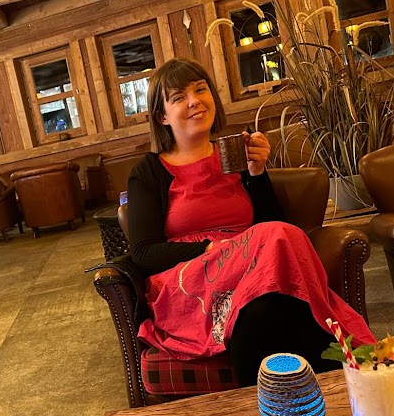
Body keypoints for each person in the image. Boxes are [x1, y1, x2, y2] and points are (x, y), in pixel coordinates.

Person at [127, 58, 375, 386]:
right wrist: (212, 248)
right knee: (279, 242)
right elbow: (143, 252)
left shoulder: (234, 153)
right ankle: (357, 371)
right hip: (190, 283)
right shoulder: (148, 171)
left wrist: (257, 174)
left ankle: (316, 398)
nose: (194, 101)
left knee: (266, 307)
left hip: (252, 271)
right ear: (162, 116)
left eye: (200, 90)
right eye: (178, 97)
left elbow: (274, 230)